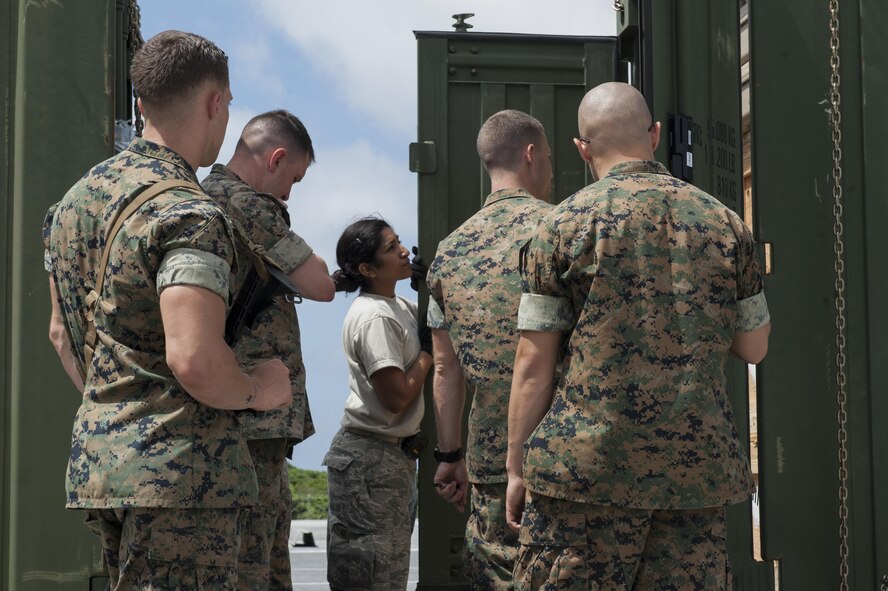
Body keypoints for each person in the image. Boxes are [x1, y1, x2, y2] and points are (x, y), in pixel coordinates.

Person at [44, 30, 292, 589]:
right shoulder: (188, 213)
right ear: (215, 102)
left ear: (141, 102)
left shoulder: (71, 206)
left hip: (104, 465)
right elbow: (196, 360)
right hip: (183, 478)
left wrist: (121, 417)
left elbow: (63, 335)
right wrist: (258, 390)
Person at [505, 82, 771, 590]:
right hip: (695, 476)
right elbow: (754, 346)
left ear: (583, 148)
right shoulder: (726, 224)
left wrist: (516, 465)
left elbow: (533, 363)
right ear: (652, 134)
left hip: (585, 476)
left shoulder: (560, 227)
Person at [202, 109, 335, 591]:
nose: (289, 192)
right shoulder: (245, 203)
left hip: (247, 414)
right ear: (276, 158)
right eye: (293, 178)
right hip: (248, 417)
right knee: (253, 566)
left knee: (268, 559)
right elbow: (319, 283)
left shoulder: (210, 197)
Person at [426, 109, 554, 589]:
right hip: (565, 451)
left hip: (490, 460)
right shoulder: (562, 229)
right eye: (548, 158)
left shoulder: (450, 250)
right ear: (530, 155)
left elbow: (445, 370)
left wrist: (449, 453)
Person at [323, 217, 433, 591]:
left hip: (387, 460)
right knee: (370, 578)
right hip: (370, 461)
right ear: (367, 269)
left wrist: (426, 285)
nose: (404, 251)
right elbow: (396, 398)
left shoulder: (396, 305)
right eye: (391, 248)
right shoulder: (375, 316)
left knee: (387, 576)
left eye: (399, 242)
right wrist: (429, 356)